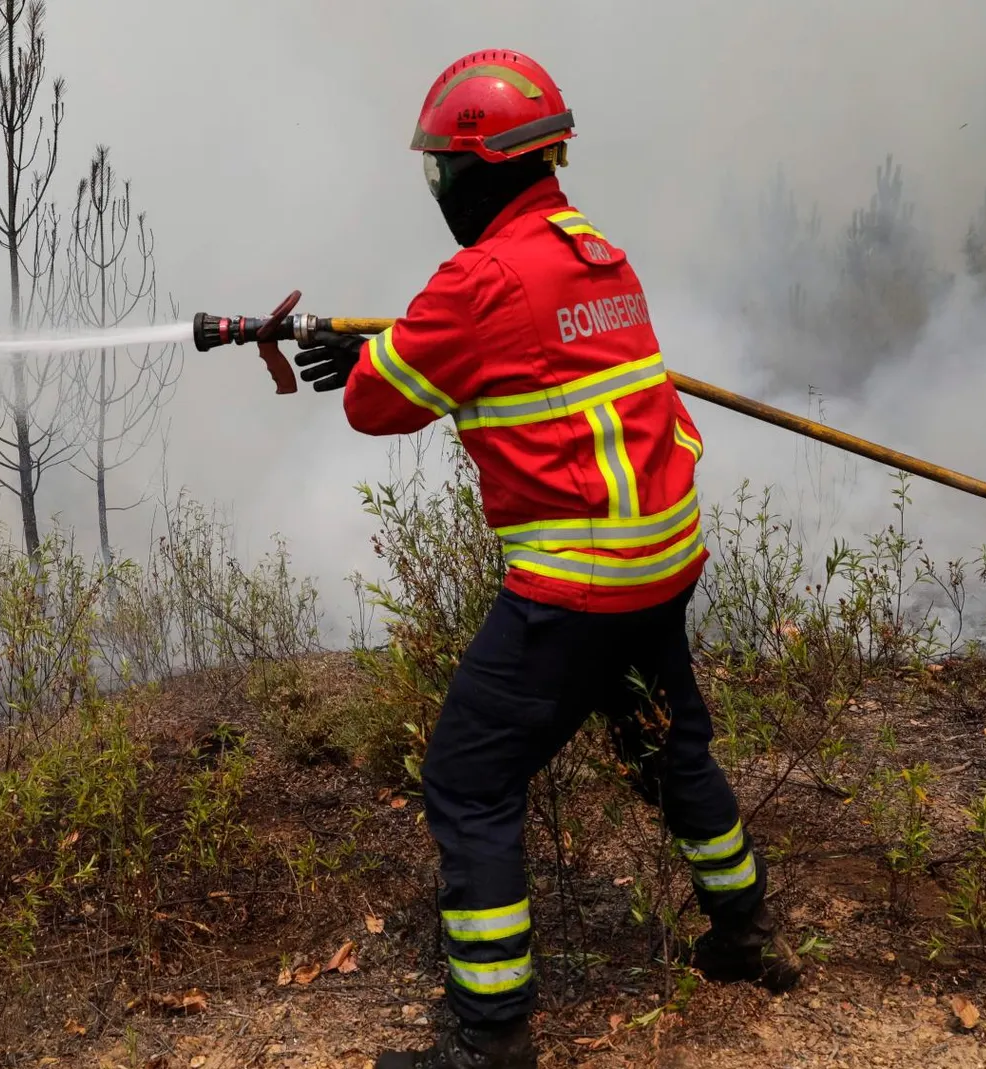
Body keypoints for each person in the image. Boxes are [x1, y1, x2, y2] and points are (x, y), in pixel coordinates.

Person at [292, 49, 804, 1069]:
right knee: (668, 750)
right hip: (661, 562)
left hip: (577, 584)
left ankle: (489, 1042)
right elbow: (503, 354)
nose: (439, 185)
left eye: (443, 167)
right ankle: (748, 938)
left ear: (478, 168)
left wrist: (369, 361)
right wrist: (394, 348)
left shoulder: (479, 277)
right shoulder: (598, 256)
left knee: (468, 781)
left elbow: (373, 405)